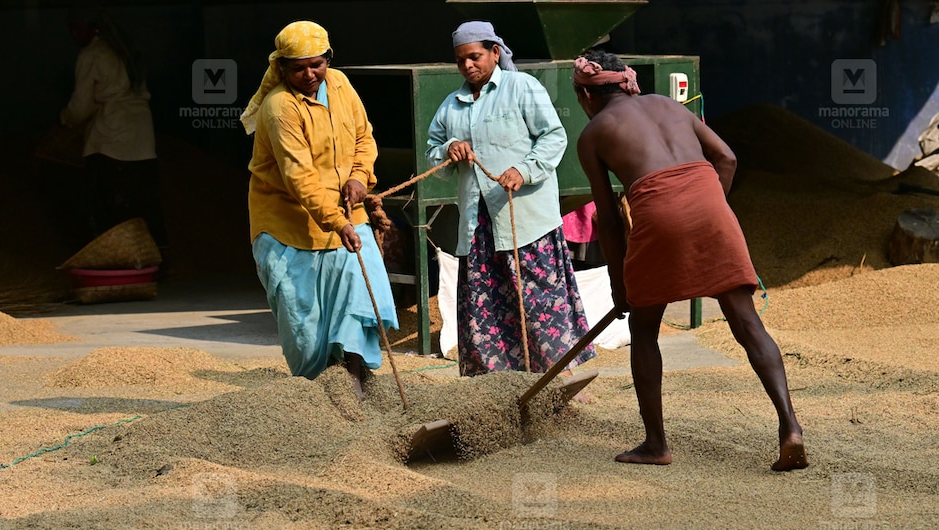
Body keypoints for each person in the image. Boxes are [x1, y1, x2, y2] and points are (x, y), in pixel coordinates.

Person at [572, 48, 808, 471]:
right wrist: (707, 206)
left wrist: (619, 282)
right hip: (711, 205)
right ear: (627, 83)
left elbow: (607, 221)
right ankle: (790, 427)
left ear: (586, 96)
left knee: (644, 329)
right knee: (747, 322)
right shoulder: (667, 104)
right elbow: (728, 158)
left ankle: (656, 444)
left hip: (657, 213)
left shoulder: (592, 135)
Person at [425, 21, 596, 377]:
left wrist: (524, 170)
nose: (468, 66)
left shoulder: (522, 87)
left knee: (539, 303)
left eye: (474, 57)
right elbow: (433, 156)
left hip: (526, 221)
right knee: (486, 309)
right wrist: (447, 150)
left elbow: (553, 137)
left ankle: (559, 378)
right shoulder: (451, 105)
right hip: (478, 227)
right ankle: (497, 386)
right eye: (461, 61)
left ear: (494, 52)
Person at [240, 20, 398, 398]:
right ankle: (316, 393)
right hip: (288, 225)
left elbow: (364, 136)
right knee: (304, 327)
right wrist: (336, 221)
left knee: (360, 294)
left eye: (317, 64)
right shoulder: (280, 108)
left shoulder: (341, 84)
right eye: (298, 68)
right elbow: (299, 177)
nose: (310, 74)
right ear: (281, 68)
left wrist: (360, 177)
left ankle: (356, 383)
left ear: (328, 59)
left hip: (345, 214)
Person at [60, 1, 167, 253]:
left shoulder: (92, 55)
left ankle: (114, 256)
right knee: (145, 201)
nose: (75, 35)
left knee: (105, 203)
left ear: (94, 29)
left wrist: (64, 119)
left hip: (111, 139)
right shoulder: (126, 51)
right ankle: (158, 254)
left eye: (78, 29)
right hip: (143, 137)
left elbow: (80, 106)